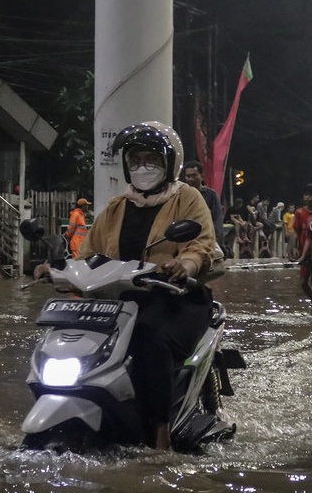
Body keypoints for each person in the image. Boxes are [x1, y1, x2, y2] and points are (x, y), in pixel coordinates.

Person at [34, 121, 217, 451]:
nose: (142, 167)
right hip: (121, 300)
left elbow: (200, 245)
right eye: (136, 159)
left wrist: (182, 265)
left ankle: (161, 435)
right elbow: (88, 253)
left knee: (149, 337)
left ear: (169, 164)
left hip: (176, 297)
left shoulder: (187, 199)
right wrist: (56, 268)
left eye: (152, 159)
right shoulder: (117, 207)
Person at [180, 160, 227, 255]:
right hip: (185, 242)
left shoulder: (211, 195)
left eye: (194, 176)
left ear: (202, 176)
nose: (190, 179)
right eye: (188, 176)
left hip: (206, 241)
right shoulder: (180, 195)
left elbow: (217, 219)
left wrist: (216, 241)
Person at [293, 183, 312, 300]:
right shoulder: (299, 213)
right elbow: (296, 232)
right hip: (304, 252)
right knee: (303, 282)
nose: (307, 198)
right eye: (305, 195)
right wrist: (294, 247)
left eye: (310, 195)